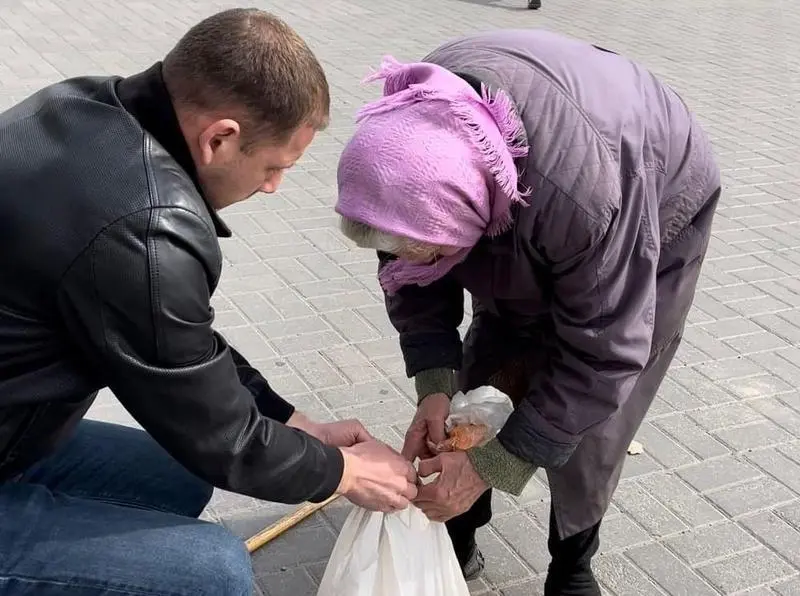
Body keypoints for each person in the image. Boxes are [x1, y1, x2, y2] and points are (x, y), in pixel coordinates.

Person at [0, 8, 418, 596]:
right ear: (219, 137)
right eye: (274, 167)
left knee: (179, 478)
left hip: (14, 428)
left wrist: (300, 427)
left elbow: (177, 346)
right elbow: (224, 441)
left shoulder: (79, 104)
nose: (274, 187)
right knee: (213, 572)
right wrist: (343, 473)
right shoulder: (146, 227)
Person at [335, 29, 720, 595]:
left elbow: (605, 356)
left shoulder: (583, 199)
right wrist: (435, 387)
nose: (426, 261)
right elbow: (411, 272)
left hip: (651, 197)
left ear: (469, 208)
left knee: (591, 416)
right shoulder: (404, 154)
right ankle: (459, 526)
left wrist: (498, 465)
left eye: (440, 251)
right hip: (531, 178)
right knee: (487, 376)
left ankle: (572, 562)